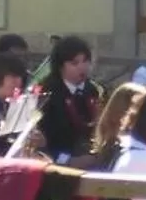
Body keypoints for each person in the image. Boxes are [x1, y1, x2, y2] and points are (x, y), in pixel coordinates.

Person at [36, 35, 100, 164]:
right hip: (57, 161)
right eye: (74, 63)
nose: (82, 67)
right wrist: (70, 160)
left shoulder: (93, 90)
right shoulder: (47, 94)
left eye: (85, 61)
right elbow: (42, 141)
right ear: (60, 67)